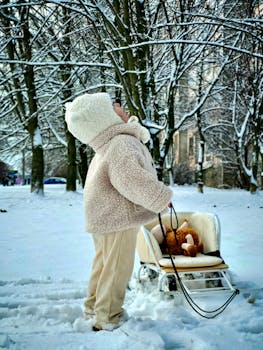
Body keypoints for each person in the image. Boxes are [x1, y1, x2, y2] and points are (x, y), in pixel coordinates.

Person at [65, 92, 172, 331]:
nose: (120, 107)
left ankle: (93, 308)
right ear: (105, 119)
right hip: (118, 216)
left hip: (104, 215)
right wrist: (160, 198)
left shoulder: (110, 143)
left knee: (103, 264)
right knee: (117, 268)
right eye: (114, 107)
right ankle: (107, 317)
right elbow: (131, 180)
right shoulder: (121, 144)